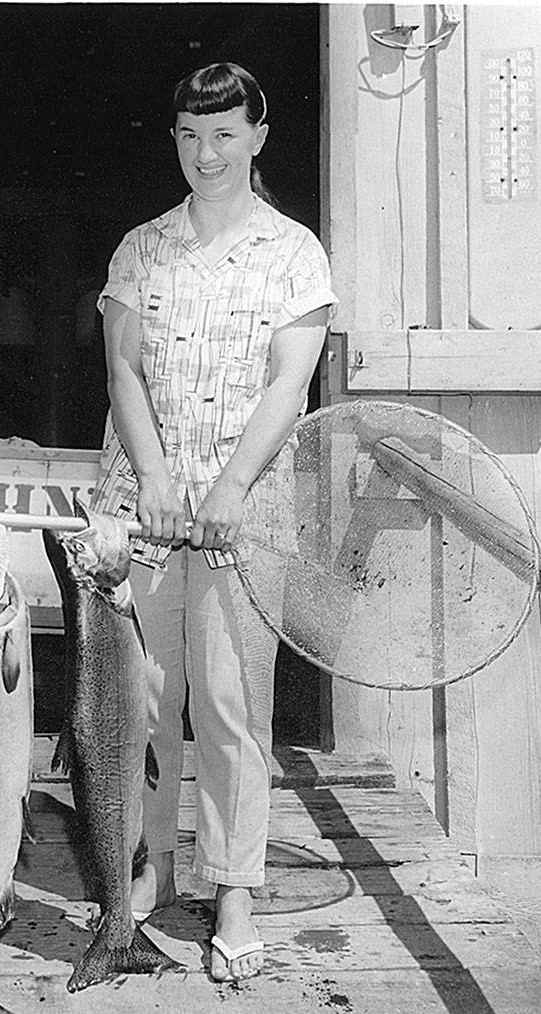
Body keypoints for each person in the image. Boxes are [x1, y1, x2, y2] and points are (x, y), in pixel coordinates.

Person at [92, 62, 335, 983]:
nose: (207, 154)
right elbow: (123, 373)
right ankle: (148, 866)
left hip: (247, 514)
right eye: (191, 137)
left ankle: (233, 887)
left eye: (226, 135)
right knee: (143, 704)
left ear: (259, 136)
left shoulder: (293, 252)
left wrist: (231, 483)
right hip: (144, 508)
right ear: (175, 140)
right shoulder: (141, 248)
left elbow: (290, 380)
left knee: (232, 709)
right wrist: (153, 475)